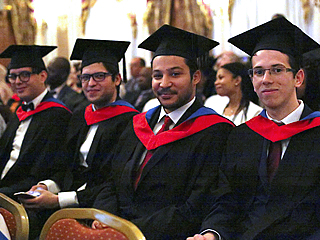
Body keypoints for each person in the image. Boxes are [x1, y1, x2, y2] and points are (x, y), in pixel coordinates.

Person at [92, 24, 234, 240]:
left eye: (175, 74)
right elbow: (111, 180)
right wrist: (106, 217)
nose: (164, 84)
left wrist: (129, 230)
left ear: (196, 77)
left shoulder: (215, 131)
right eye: (157, 76)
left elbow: (196, 205)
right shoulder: (138, 124)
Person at [187, 17, 320, 240]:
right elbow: (225, 201)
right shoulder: (242, 136)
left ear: (298, 77)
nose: (266, 79)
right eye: (258, 72)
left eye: (276, 70)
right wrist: (212, 234)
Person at [19, 39, 139, 238]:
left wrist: (58, 200)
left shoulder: (130, 122)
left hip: (101, 209)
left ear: (117, 79)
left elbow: (114, 183)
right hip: (65, 200)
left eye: (99, 76)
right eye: (85, 78)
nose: (90, 84)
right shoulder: (79, 116)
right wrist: (47, 185)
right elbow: (64, 165)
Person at [0, 45, 72, 198]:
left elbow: (47, 171)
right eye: (13, 76)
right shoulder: (20, 111)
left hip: (25, 197)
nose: (17, 81)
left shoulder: (58, 116)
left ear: (43, 76)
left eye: (24, 75)